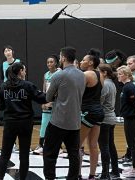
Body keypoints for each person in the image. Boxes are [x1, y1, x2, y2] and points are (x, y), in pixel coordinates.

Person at [0, 62, 46, 180]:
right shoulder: (28, 85)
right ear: (20, 71)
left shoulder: (4, 86)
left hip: (10, 123)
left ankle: (0, 178)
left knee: (5, 153)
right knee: (24, 154)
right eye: (24, 70)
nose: (25, 72)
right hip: (25, 123)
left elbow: (0, 107)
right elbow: (42, 98)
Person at [43, 47, 85, 180]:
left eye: (60, 57)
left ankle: (50, 178)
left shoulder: (58, 75)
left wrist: (56, 95)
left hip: (58, 121)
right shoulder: (82, 75)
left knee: (50, 153)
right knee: (74, 154)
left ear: (63, 58)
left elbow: (48, 98)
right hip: (75, 122)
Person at [78, 49, 104, 180]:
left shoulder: (86, 74)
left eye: (83, 60)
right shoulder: (100, 74)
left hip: (87, 112)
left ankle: (77, 174)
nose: (81, 62)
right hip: (98, 111)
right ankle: (92, 175)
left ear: (90, 62)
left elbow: (77, 92)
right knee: (93, 145)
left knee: (77, 144)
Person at [116, 65, 135, 177]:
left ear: (126, 75)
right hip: (128, 118)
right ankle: (134, 166)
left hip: (131, 118)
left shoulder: (129, 87)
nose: (118, 76)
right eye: (118, 74)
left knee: (133, 144)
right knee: (131, 143)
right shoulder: (126, 86)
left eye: (120, 74)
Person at [33, 55, 60, 155]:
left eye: (51, 62)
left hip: (57, 102)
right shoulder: (46, 74)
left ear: (56, 63)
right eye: (48, 62)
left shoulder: (59, 73)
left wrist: (54, 102)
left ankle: (59, 147)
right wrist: (44, 101)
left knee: (57, 126)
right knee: (44, 124)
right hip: (48, 102)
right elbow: (44, 90)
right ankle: (41, 145)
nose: (49, 64)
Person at [97, 64, 119, 179]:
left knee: (104, 146)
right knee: (111, 146)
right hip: (111, 118)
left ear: (104, 73)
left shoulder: (105, 84)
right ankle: (115, 170)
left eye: (98, 71)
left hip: (105, 119)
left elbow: (99, 102)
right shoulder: (111, 84)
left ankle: (105, 173)